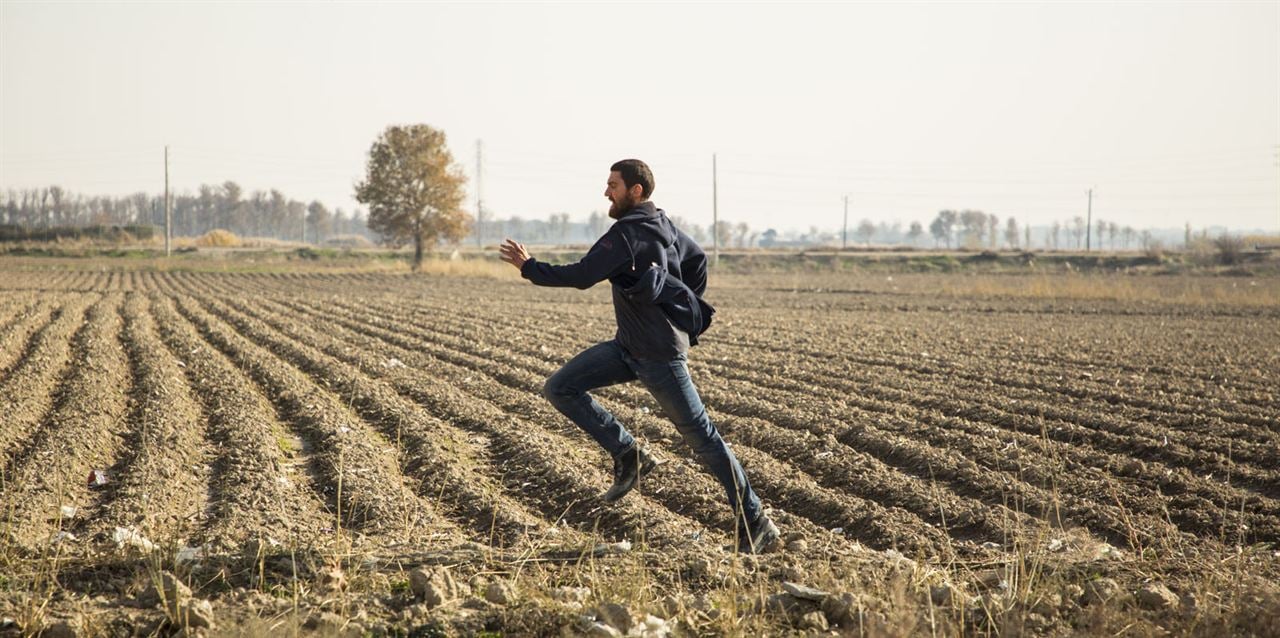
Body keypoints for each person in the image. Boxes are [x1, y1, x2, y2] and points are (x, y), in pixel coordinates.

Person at [498, 159, 780, 554]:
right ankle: (629, 453)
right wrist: (680, 304)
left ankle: (756, 523)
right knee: (561, 387)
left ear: (636, 191)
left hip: (659, 356)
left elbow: (581, 275)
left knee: (704, 439)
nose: (605, 192)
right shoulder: (664, 225)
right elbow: (697, 260)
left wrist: (529, 267)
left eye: (613, 185)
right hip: (629, 347)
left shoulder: (626, 234)